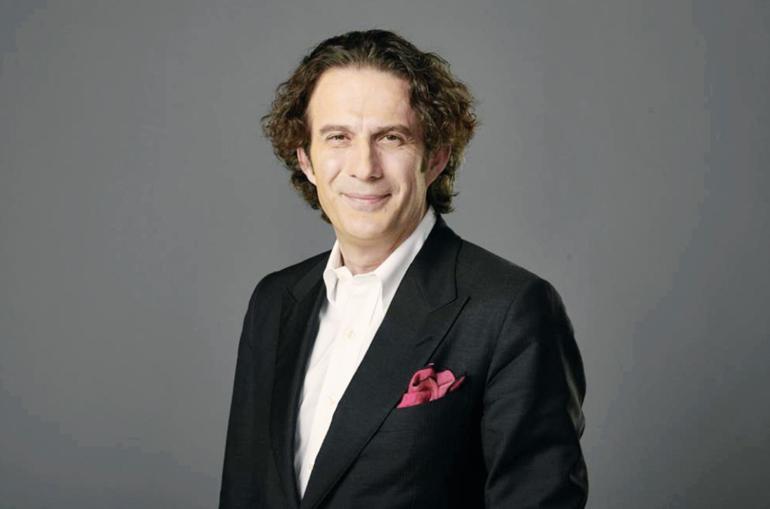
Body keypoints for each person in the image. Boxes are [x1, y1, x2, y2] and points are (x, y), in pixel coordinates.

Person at [219, 29, 588, 509]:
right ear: (305, 159)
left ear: (435, 157)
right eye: (338, 137)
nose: (364, 167)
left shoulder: (512, 309)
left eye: (391, 138)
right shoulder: (273, 302)